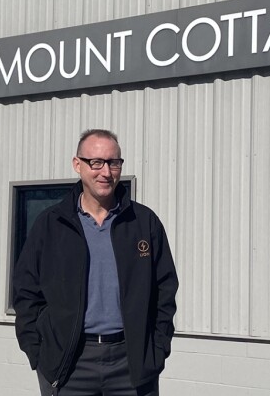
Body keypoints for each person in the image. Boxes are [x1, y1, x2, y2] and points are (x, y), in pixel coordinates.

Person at [13, 129, 178, 396]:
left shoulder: (144, 222)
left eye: (114, 162)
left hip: (132, 364)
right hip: (70, 364)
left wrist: (156, 351)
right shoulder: (51, 224)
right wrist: (39, 353)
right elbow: (26, 292)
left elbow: (165, 290)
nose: (106, 172)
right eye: (96, 162)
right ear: (77, 165)